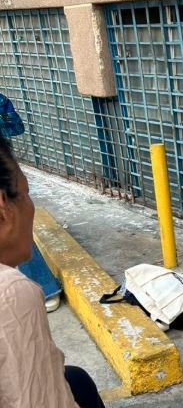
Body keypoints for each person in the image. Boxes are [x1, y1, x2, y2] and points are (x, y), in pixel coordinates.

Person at [0, 110, 105, 407]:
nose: (30, 205)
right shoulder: (10, 293)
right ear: (3, 207)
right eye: (26, 193)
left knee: (76, 380)